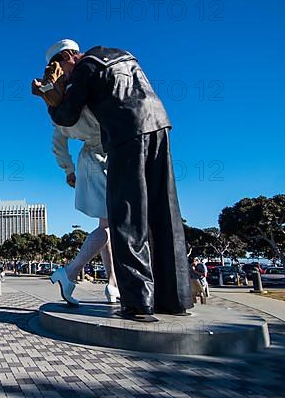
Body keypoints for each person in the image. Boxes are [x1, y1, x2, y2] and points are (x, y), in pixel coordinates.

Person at [34, 39, 193, 322]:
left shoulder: (85, 68)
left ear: (69, 57)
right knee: (163, 210)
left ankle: (138, 302)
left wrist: (50, 101)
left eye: (62, 69)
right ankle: (175, 297)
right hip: (158, 124)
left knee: (125, 215)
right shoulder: (122, 55)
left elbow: (67, 115)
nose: (64, 76)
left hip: (123, 134)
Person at [40, 61, 120, 305]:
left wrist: (69, 170)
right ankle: (71, 272)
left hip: (89, 161)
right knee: (111, 225)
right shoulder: (86, 93)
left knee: (106, 223)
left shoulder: (60, 110)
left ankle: (113, 284)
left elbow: (58, 145)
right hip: (105, 158)